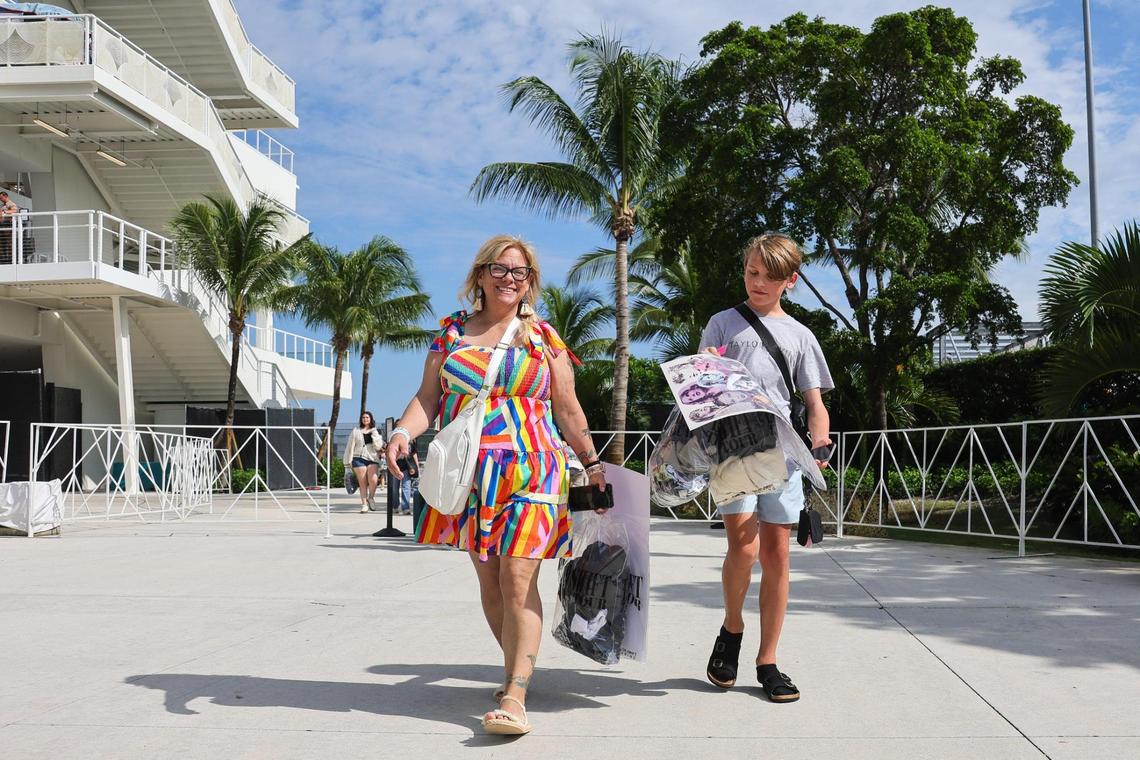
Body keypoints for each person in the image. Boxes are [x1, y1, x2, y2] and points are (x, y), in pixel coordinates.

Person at [385, 234, 605, 736]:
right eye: (500, 269)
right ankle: (515, 670)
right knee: (490, 583)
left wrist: (592, 462)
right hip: (471, 476)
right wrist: (401, 433)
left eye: (520, 272)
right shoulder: (449, 336)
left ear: (530, 282)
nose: (510, 279)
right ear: (480, 275)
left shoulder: (544, 338)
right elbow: (427, 400)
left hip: (534, 468)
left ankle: (515, 694)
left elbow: (568, 409)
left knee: (518, 579)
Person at [698, 232, 834, 703]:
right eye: (752, 272)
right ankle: (731, 628)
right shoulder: (721, 324)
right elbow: (700, 387)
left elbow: (814, 402)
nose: (758, 282)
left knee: (778, 553)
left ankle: (768, 660)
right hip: (733, 445)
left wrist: (820, 441)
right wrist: (706, 371)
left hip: (783, 448)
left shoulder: (800, 335)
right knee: (746, 547)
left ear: (789, 281)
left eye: (769, 276)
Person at [343, 411, 383, 513]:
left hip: (372, 458)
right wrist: (347, 461)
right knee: (362, 482)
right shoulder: (356, 431)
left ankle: (371, 497)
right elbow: (349, 446)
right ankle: (364, 504)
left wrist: (374, 433)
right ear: (361, 419)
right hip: (358, 458)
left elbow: (378, 446)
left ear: (371, 419)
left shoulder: (375, 431)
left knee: (373, 480)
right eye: (363, 417)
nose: (365, 419)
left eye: (367, 417)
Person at [396, 444, 419, 515]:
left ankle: (405, 507)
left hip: (407, 467)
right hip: (395, 466)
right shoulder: (395, 441)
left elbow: (414, 454)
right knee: (394, 488)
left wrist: (416, 466)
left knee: (406, 486)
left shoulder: (411, 443)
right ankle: (395, 506)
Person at [0, 191, 17, 265]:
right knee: (3, 243)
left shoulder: (10, 203)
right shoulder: (3, 205)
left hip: (7, 225)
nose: (0, 199)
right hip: (3, 225)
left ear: (5, 196)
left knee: (9, 243)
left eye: (1, 197)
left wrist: (5, 212)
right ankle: (4, 258)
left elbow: (15, 210)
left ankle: (11, 258)